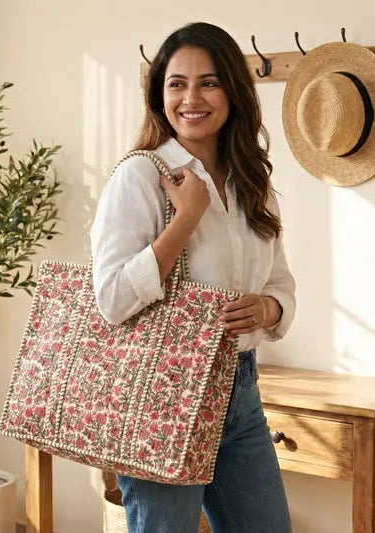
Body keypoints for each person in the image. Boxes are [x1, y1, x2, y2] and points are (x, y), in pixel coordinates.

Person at [90, 21, 296, 533]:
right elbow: (111, 299)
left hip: (241, 389)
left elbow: (280, 283)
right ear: (159, 96)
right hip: (163, 393)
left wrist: (267, 309)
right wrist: (185, 220)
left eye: (208, 82)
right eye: (177, 84)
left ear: (233, 91)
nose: (191, 99)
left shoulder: (251, 181)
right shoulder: (140, 176)